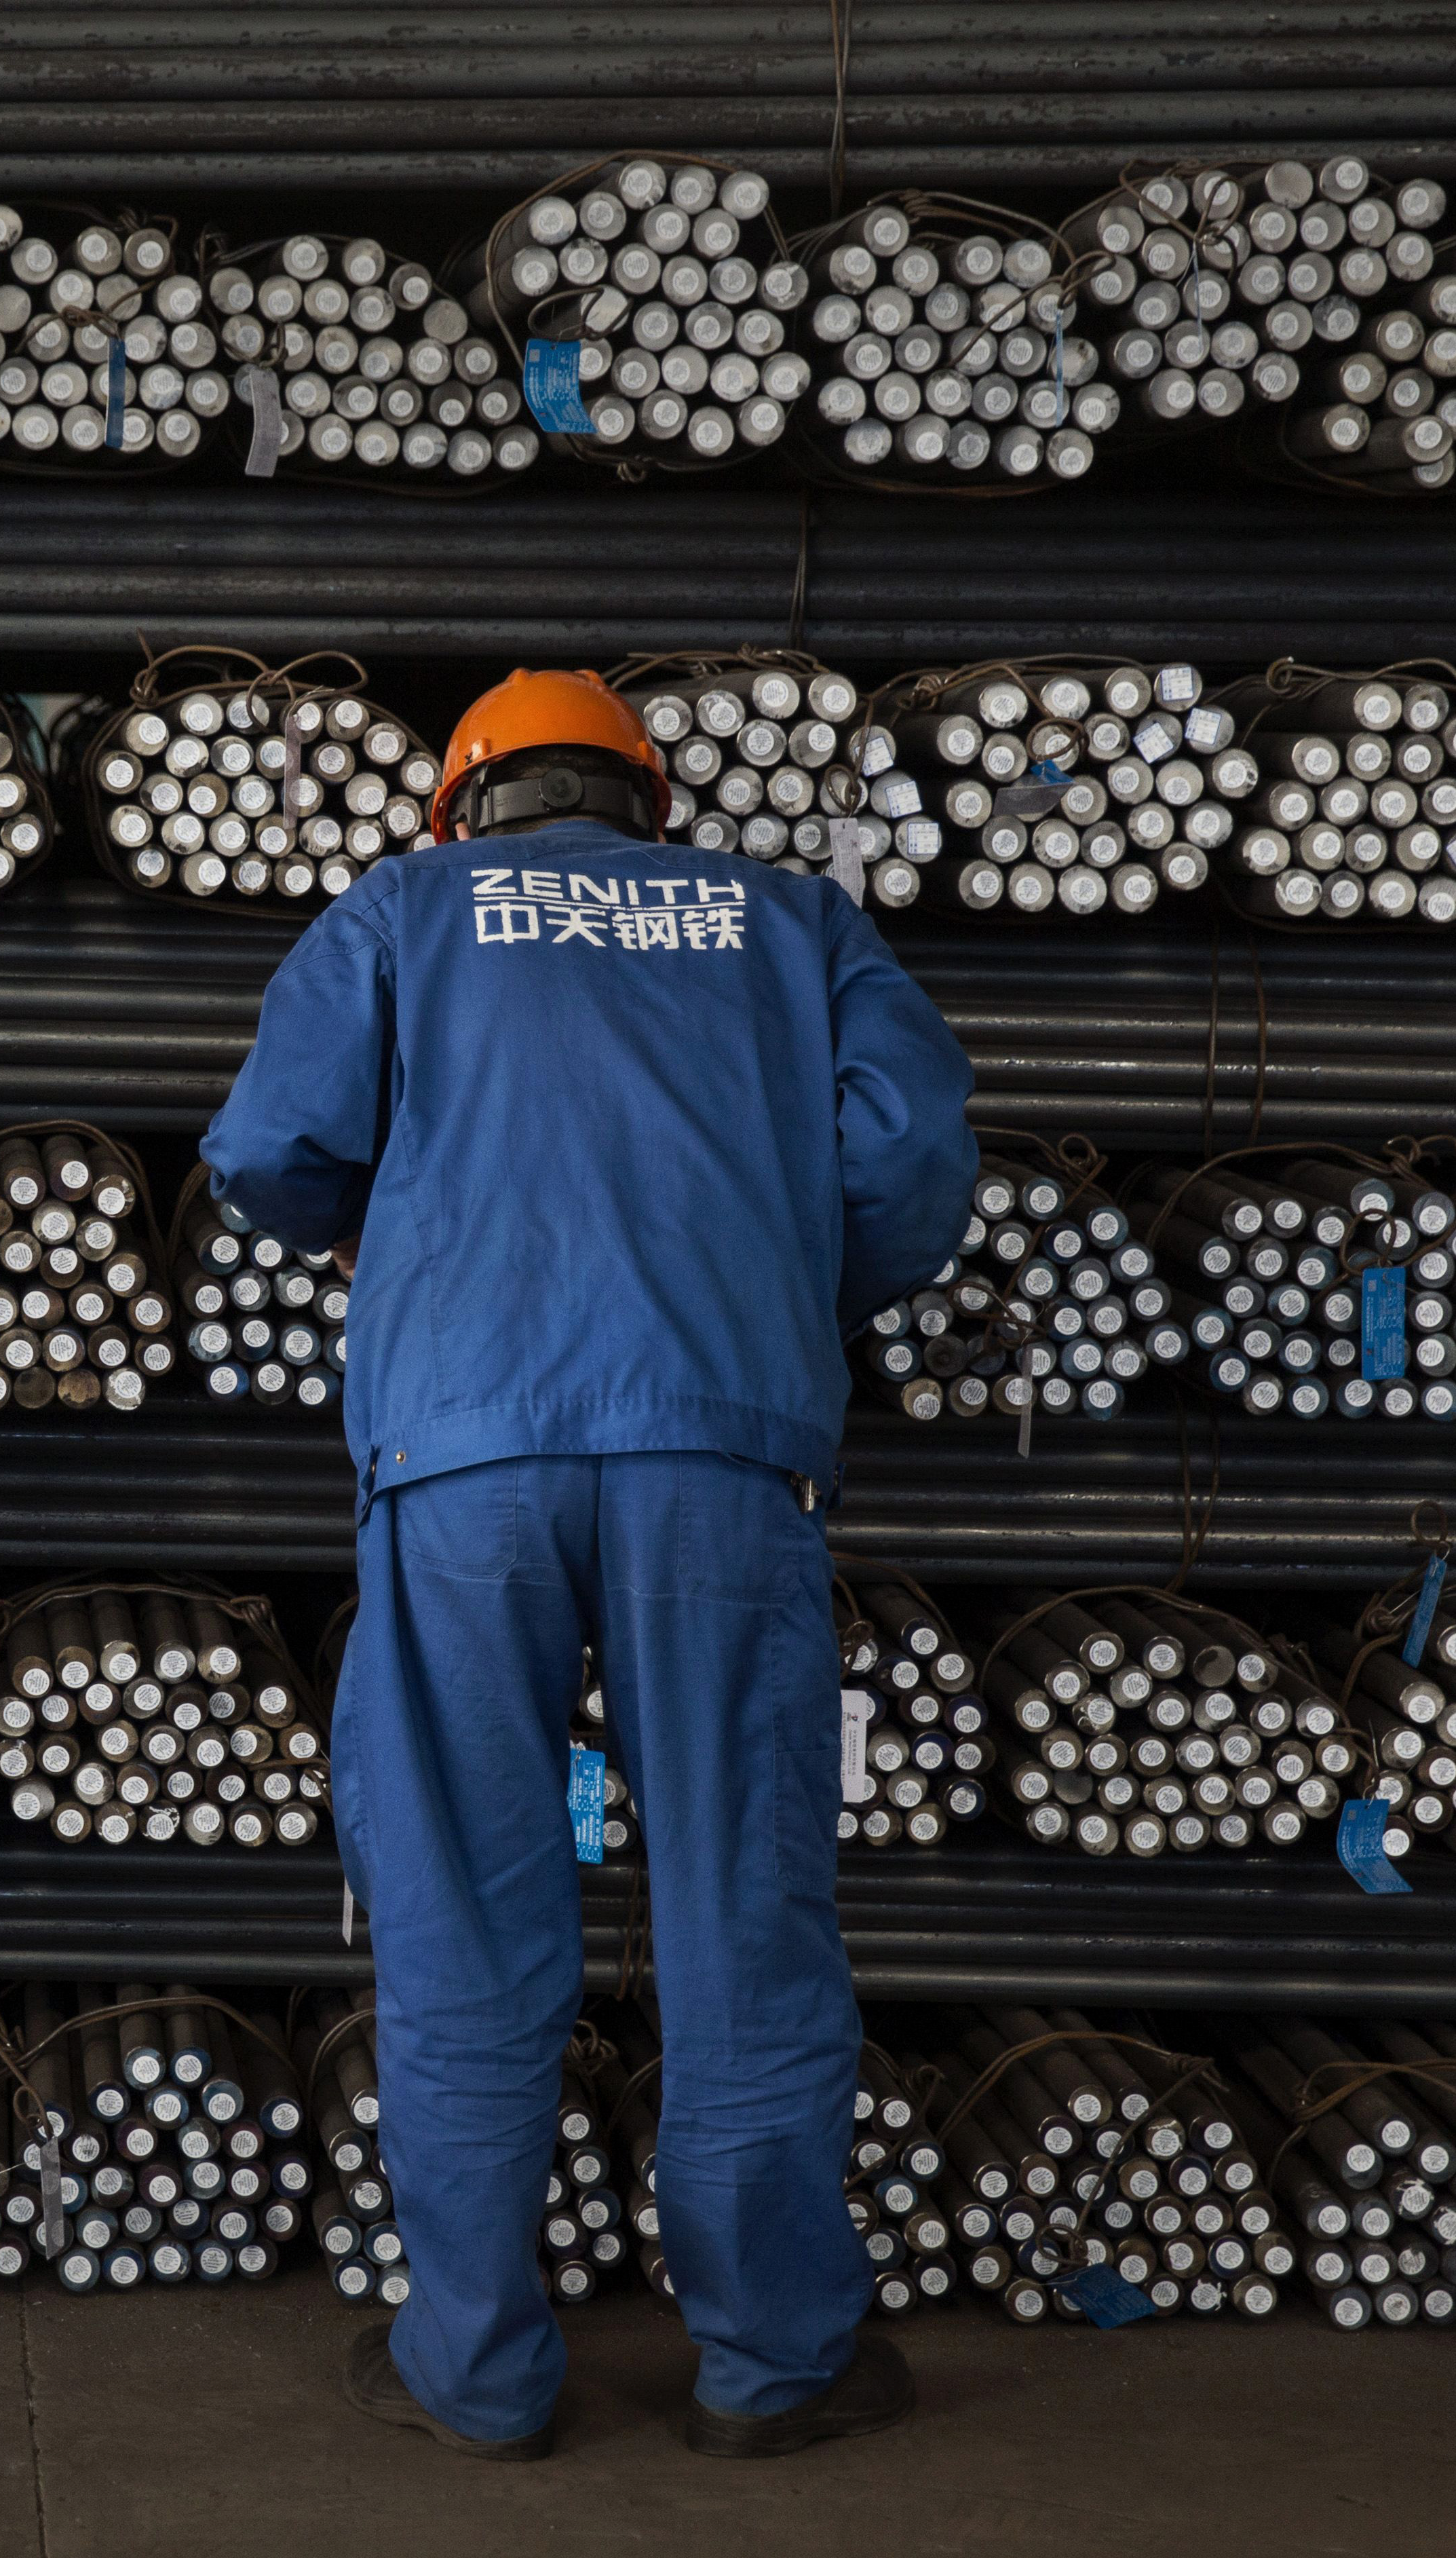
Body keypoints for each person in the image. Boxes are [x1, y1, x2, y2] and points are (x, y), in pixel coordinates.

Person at [202, 669, 975, 2460]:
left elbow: (267, 1150)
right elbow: (913, 1153)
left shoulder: (400, 911)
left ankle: (474, 2370)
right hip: (720, 1450)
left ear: (461, 802)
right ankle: (773, 2360)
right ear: (650, 798)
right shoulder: (788, 919)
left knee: (466, 1900)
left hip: (465, 1452)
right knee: (741, 1903)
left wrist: (404, 1242)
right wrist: (786, 1294)